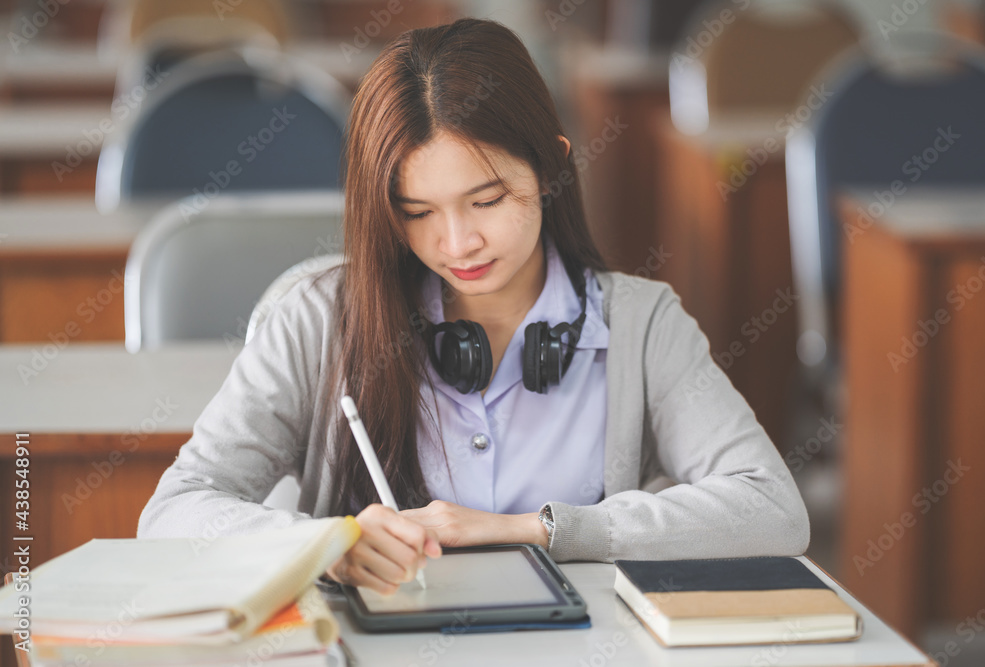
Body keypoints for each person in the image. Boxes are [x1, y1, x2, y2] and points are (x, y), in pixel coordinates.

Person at [137, 17, 809, 595]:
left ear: (550, 170)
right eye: (417, 212)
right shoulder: (318, 318)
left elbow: (774, 509)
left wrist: (539, 528)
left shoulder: (642, 323)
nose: (456, 243)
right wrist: (326, 542)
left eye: (486, 201)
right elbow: (173, 512)